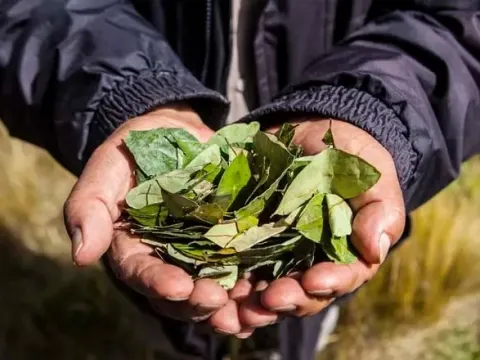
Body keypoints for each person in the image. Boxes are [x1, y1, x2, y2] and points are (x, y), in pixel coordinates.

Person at [1, 1, 479, 359]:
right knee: (174, 322)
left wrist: (374, 108)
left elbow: (463, 21)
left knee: (297, 315)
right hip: (164, 285)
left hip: (304, 248)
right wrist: (126, 93)